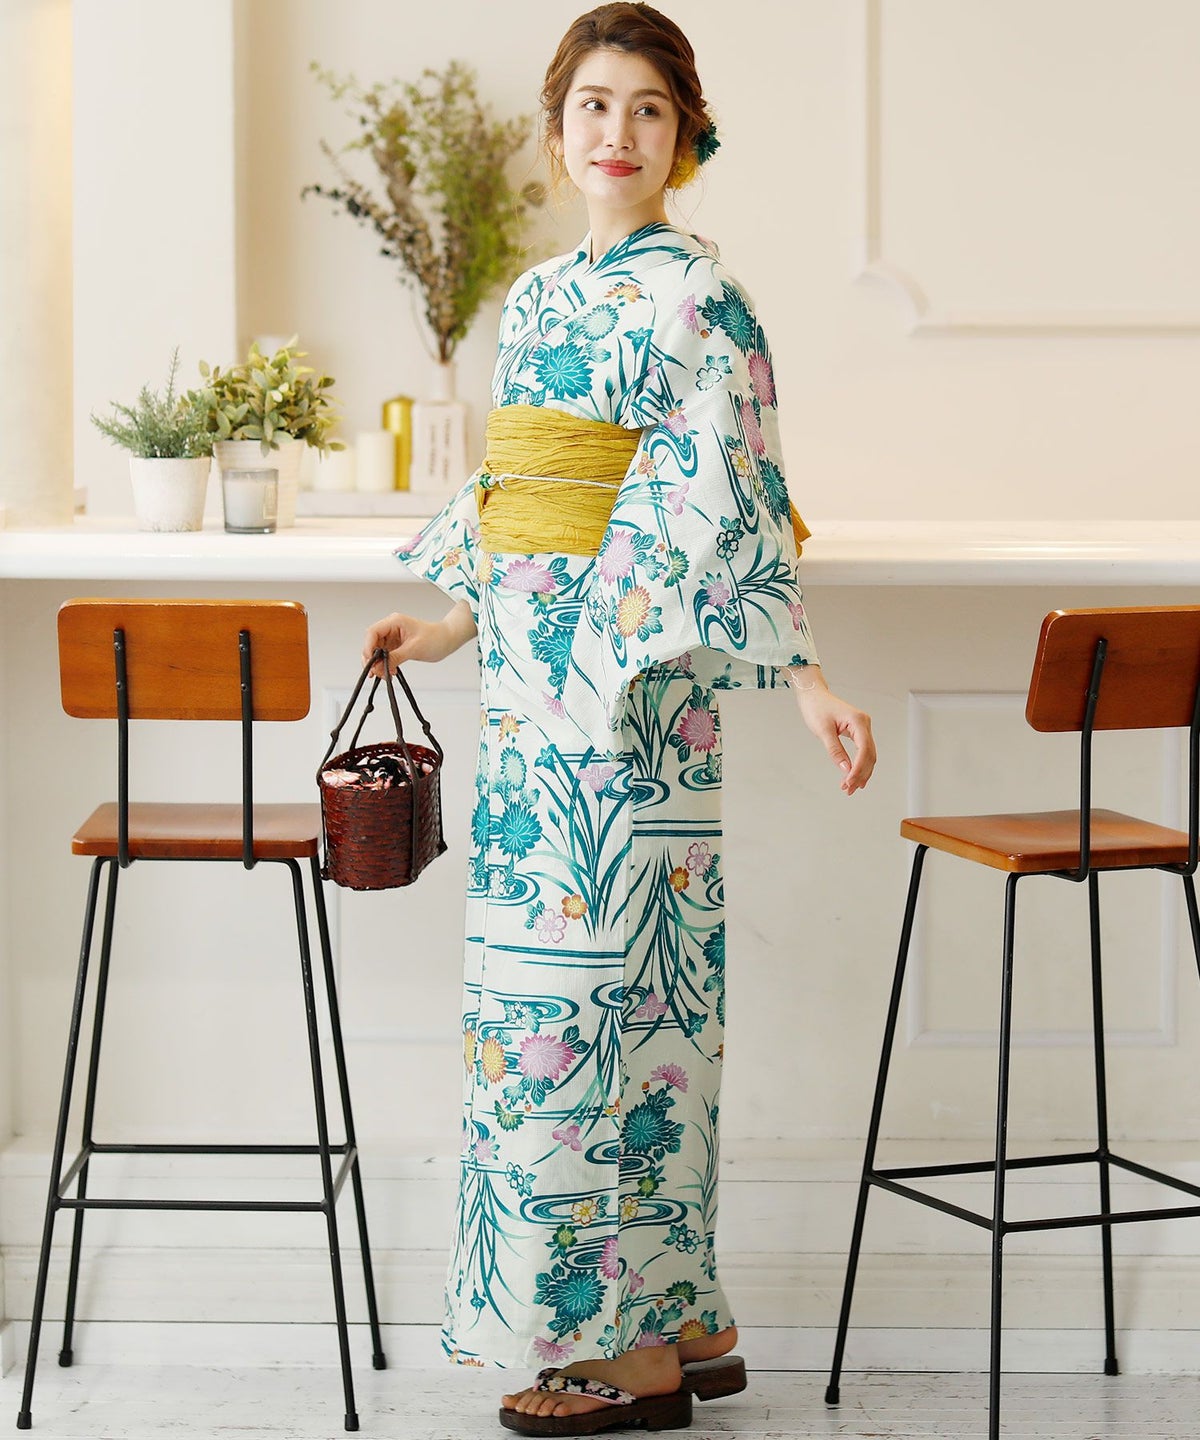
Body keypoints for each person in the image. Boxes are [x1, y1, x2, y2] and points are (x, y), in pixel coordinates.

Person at [363, 4, 875, 1432]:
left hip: (631, 703)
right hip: (528, 704)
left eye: (649, 108)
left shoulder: (703, 299)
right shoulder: (536, 301)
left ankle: (625, 1349)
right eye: (594, 104)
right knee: (554, 1001)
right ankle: (684, 1311)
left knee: (617, 1004)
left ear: (685, 137)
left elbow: (743, 494)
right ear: (557, 130)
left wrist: (807, 678)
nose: (618, 132)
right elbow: (517, 499)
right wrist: (447, 623)